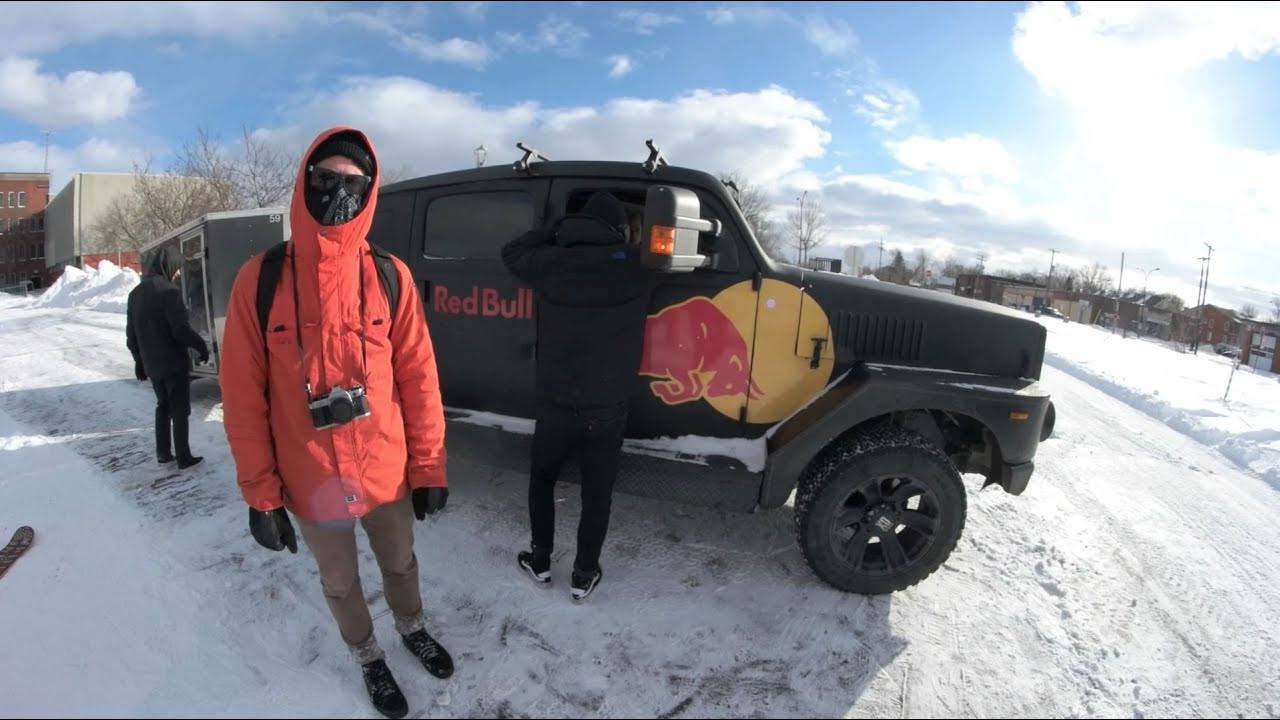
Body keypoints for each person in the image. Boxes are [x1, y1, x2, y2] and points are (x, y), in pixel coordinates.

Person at [218, 127, 450, 720]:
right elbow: (243, 399)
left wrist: (428, 466)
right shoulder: (259, 279)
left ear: (370, 191)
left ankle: (411, 627)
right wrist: (261, 495)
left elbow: (420, 380)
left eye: (354, 183)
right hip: (311, 475)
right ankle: (368, 654)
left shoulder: (390, 275)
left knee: (400, 563)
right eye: (326, 180)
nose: (339, 192)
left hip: (385, 473)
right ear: (304, 182)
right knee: (341, 581)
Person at [500, 191, 658, 601]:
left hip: (555, 399)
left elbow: (511, 250)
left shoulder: (550, 262)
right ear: (618, 229)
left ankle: (540, 559)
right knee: (596, 492)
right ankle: (584, 573)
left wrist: (554, 229)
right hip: (606, 405)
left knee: (543, 479)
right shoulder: (637, 266)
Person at [126, 247, 210, 469]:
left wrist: (139, 362)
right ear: (169, 266)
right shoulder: (169, 292)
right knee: (180, 409)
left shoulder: (135, 294)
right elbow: (180, 330)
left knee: (163, 406)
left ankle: (163, 452)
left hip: (153, 365)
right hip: (173, 363)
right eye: (177, 269)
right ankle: (184, 457)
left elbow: (131, 336)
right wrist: (201, 346)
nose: (178, 274)